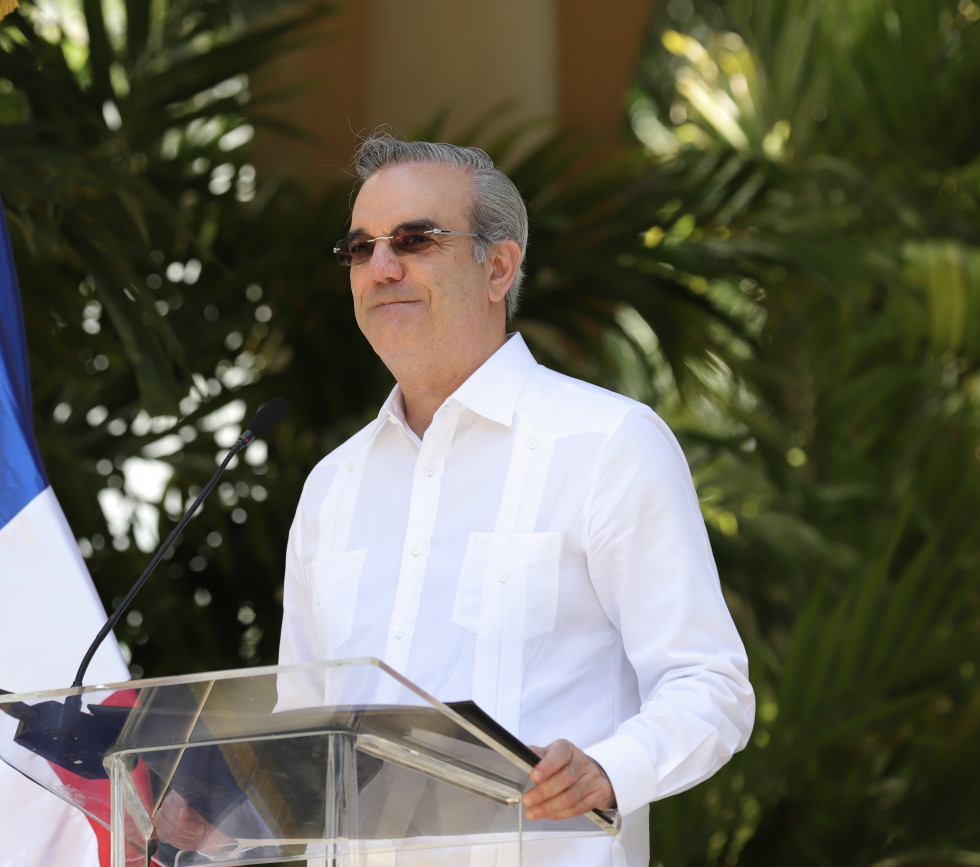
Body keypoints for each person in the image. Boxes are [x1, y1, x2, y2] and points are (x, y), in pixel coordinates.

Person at [276, 133, 755, 866]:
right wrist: (214, 807)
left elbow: (709, 684)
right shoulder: (331, 486)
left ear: (498, 267)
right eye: (359, 248)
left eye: (414, 240)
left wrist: (609, 769)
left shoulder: (607, 443)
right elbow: (298, 729)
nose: (381, 267)